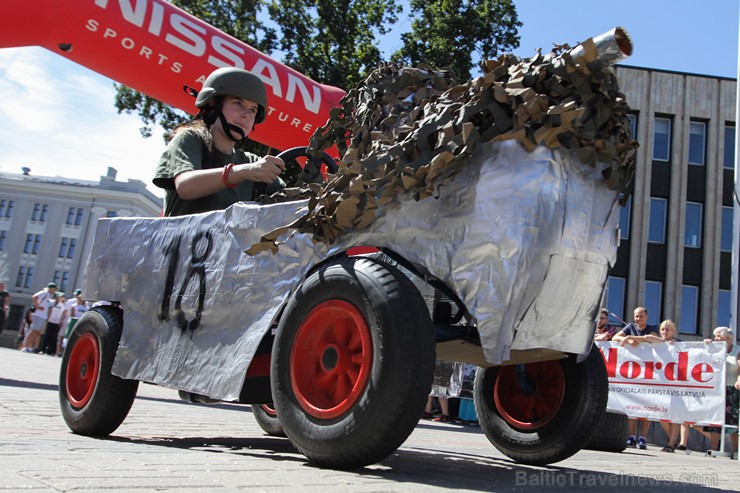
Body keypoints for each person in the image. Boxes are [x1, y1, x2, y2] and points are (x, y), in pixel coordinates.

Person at [153, 67, 285, 217]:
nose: (246, 115)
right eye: (238, 104)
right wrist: (244, 172)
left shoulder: (250, 161)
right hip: (182, 239)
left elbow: (291, 202)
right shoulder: (190, 139)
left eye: (253, 110)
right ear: (213, 105)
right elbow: (185, 186)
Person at [613, 306, 660, 449]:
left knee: (647, 407)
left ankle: (643, 438)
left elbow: (656, 339)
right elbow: (615, 337)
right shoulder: (630, 327)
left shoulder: (653, 327)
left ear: (647, 317)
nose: (638, 319)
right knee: (632, 407)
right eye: (636, 316)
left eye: (641, 316)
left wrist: (632, 338)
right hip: (633, 372)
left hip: (650, 372)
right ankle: (632, 437)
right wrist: (627, 340)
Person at [644, 320, 690, 453]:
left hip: (676, 384)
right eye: (663, 329)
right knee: (661, 414)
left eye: (668, 329)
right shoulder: (657, 342)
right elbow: (647, 338)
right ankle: (673, 440)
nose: (665, 332)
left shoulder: (680, 344)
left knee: (674, 414)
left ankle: (670, 444)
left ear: (673, 331)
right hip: (661, 383)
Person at [701, 326, 740, 454]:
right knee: (714, 420)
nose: (715, 338)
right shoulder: (715, 349)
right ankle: (714, 448)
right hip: (716, 389)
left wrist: (739, 379)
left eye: (718, 336)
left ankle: (735, 450)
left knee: (732, 421)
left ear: (727, 338)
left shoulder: (737, 351)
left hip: (732, 389)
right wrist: (707, 347)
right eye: (715, 336)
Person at [26, 282, 58, 353]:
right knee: (33, 330)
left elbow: (50, 304)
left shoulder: (49, 296)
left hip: (42, 316)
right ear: (51, 288)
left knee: (37, 331)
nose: (54, 291)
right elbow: (34, 297)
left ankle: (31, 347)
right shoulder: (44, 293)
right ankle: (27, 346)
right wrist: (37, 306)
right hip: (38, 314)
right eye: (54, 289)